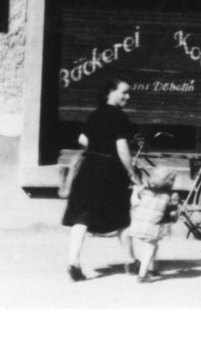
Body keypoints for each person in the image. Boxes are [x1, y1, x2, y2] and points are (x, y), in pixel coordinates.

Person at [61, 78, 142, 281]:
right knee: (122, 218)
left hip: (89, 168)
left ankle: (73, 263)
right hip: (110, 172)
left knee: (82, 217)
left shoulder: (95, 114)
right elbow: (122, 148)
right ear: (110, 92)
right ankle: (131, 261)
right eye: (124, 92)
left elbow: (83, 140)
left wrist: (98, 144)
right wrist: (132, 172)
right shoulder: (119, 117)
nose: (128, 96)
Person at [126, 165, 180, 283]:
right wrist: (175, 216)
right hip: (153, 227)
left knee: (153, 246)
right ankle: (142, 275)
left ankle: (154, 268)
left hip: (138, 225)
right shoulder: (170, 196)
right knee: (150, 249)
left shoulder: (144, 191)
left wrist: (135, 192)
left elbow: (134, 202)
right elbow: (172, 213)